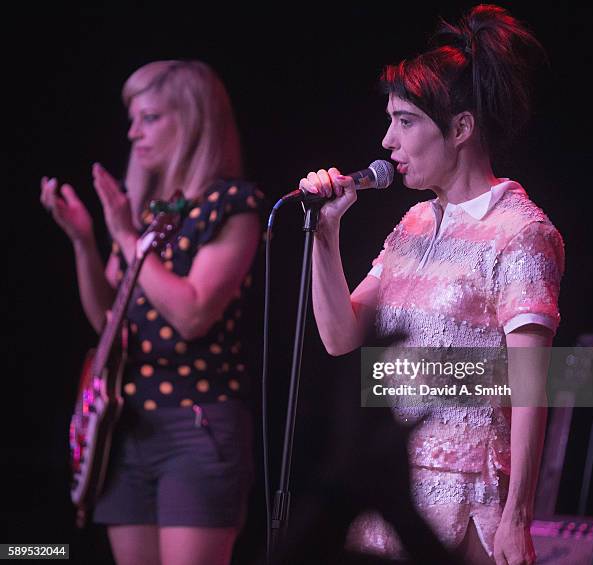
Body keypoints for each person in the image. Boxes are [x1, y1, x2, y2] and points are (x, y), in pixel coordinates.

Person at [299, 5, 564, 565]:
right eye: (391, 120)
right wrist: (325, 235)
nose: (387, 140)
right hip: (390, 490)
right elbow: (341, 336)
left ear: (461, 128)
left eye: (406, 121)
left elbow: (532, 386)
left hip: (466, 495)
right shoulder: (414, 224)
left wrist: (518, 517)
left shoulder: (520, 232)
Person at [40, 60, 265, 565]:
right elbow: (108, 322)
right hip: (126, 429)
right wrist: (83, 242)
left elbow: (193, 314)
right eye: (132, 119)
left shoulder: (233, 205)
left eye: (149, 117)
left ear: (190, 119)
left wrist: (124, 237)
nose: (133, 132)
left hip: (197, 426)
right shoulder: (152, 214)